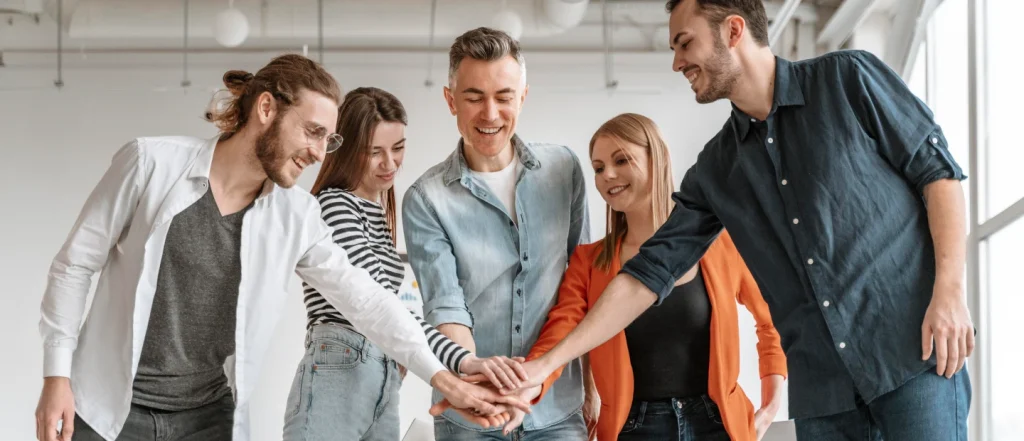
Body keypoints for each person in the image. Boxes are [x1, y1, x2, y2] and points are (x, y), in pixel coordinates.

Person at [509, 1, 974, 440]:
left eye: (684, 43)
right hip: (825, 397)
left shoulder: (847, 79)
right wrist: (540, 368)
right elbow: (646, 276)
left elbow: (937, 174)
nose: (677, 63)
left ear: (733, 30)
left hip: (913, 356)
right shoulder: (716, 170)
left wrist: (949, 292)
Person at [33, 54, 527, 441]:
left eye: (328, 140)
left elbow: (371, 304)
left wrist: (450, 375)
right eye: (312, 132)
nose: (318, 152)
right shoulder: (150, 164)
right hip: (107, 405)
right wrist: (56, 376)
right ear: (266, 109)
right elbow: (76, 265)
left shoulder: (297, 215)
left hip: (207, 418)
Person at [516, 113, 787, 441]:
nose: (608, 175)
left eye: (621, 160)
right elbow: (560, 333)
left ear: (657, 158)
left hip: (718, 425)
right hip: (634, 429)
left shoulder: (719, 242)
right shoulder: (589, 262)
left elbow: (773, 318)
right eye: (599, 167)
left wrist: (771, 403)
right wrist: (527, 384)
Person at [282, 86, 529, 441]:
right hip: (342, 366)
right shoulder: (336, 204)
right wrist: (462, 362)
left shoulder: (376, 213)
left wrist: (464, 362)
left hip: (379, 369)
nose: (390, 163)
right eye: (374, 152)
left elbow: (392, 315)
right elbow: (380, 308)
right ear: (349, 149)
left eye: (398, 148)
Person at [402, 27, 591, 440]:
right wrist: (484, 387)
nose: (489, 114)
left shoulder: (564, 171)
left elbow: (582, 286)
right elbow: (445, 306)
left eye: (503, 97)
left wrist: (593, 389)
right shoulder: (426, 198)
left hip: (557, 410)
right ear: (451, 100)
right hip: (472, 413)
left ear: (522, 97)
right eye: (473, 97)